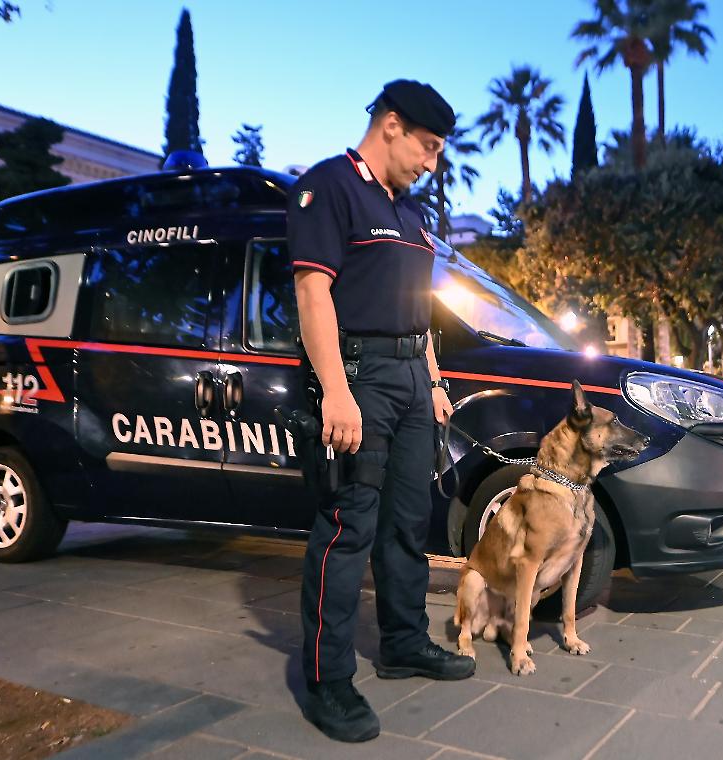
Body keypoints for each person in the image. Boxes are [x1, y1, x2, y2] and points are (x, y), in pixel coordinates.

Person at [287, 79, 474, 743]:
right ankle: (325, 678)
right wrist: (335, 390)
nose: (431, 162)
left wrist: (434, 380)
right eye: (427, 147)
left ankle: (402, 643)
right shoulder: (330, 187)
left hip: (410, 380)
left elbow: (420, 312)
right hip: (358, 376)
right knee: (348, 528)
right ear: (391, 125)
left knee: (407, 520)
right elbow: (315, 296)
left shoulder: (412, 214)